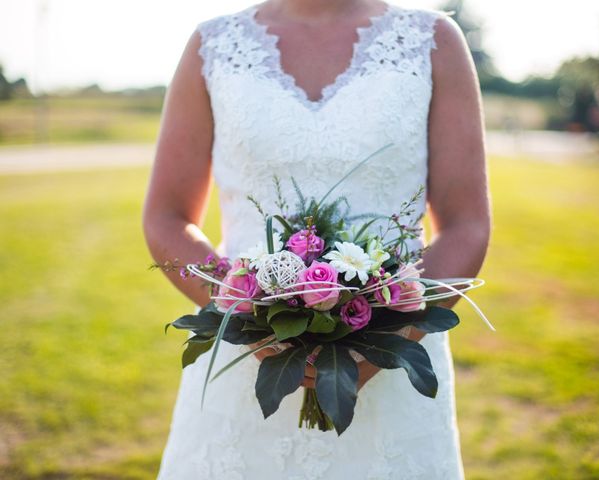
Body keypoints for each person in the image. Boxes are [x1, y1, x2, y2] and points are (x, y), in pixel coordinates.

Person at [142, 0, 491, 478]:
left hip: (391, 375)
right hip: (244, 372)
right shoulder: (214, 45)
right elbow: (166, 216)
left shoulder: (433, 41)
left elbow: (466, 223)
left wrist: (388, 336)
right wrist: (247, 315)